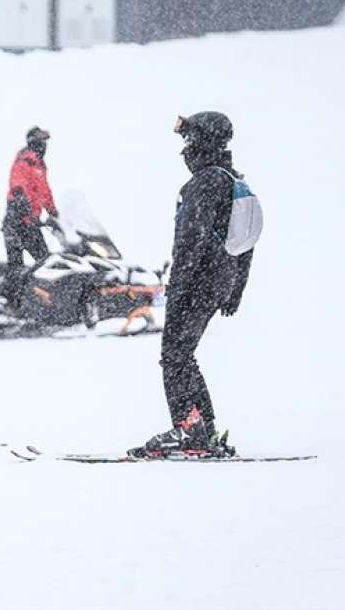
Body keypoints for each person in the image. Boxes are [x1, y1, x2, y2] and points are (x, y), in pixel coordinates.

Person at [131, 111, 255, 458]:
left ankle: (189, 429)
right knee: (184, 355)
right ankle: (205, 428)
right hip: (218, 281)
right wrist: (234, 288)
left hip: (197, 283)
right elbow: (245, 245)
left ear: (202, 142)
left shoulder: (203, 184)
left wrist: (179, 285)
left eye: (188, 141)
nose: (184, 150)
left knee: (173, 356)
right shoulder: (233, 180)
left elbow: (191, 241)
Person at [1, 126, 58, 301]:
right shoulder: (24, 161)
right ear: (34, 142)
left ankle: (44, 301)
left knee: (45, 261)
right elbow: (18, 184)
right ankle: (12, 303)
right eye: (42, 141)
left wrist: (53, 212)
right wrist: (21, 201)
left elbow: (44, 191)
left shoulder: (39, 166)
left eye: (45, 142)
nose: (44, 145)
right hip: (16, 221)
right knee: (16, 265)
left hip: (30, 222)